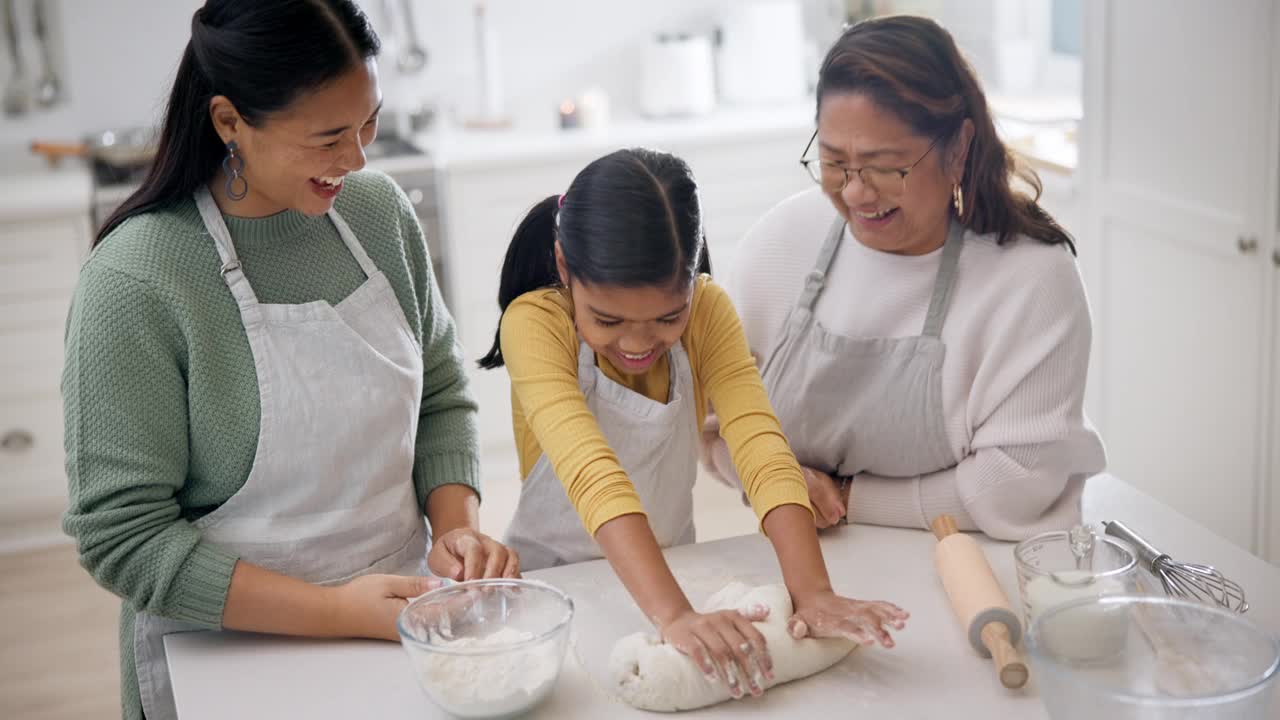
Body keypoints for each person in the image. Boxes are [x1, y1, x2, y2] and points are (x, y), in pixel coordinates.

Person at [61, 2, 515, 718]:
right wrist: (335, 611)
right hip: (221, 655)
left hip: (402, 624)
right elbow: (123, 537)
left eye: (368, 124)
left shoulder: (377, 215)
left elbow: (441, 397)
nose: (358, 158)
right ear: (228, 121)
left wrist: (456, 526)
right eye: (330, 136)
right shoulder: (137, 278)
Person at [478, 147, 908, 699]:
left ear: (692, 273)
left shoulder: (709, 312)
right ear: (565, 267)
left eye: (667, 317)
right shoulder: (535, 324)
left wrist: (813, 592)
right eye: (607, 320)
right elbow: (590, 472)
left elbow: (759, 443)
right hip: (554, 585)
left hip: (672, 564)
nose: (638, 343)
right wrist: (675, 616)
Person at [702, 15, 1106, 541]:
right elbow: (716, 422)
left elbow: (1010, 486)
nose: (854, 193)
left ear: (958, 148)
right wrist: (772, 477)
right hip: (808, 557)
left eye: (884, 166)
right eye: (833, 162)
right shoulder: (783, 241)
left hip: (975, 559)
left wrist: (849, 499)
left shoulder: (1032, 280)